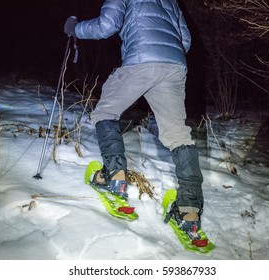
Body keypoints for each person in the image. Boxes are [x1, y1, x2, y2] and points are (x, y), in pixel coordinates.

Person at [64, 0, 204, 239]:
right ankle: (189, 210)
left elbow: (107, 25)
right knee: (177, 134)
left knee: (104, 113)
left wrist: (74, 29)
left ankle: (114, 177)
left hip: (141, 59)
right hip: (175, 65)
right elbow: (186, 40)